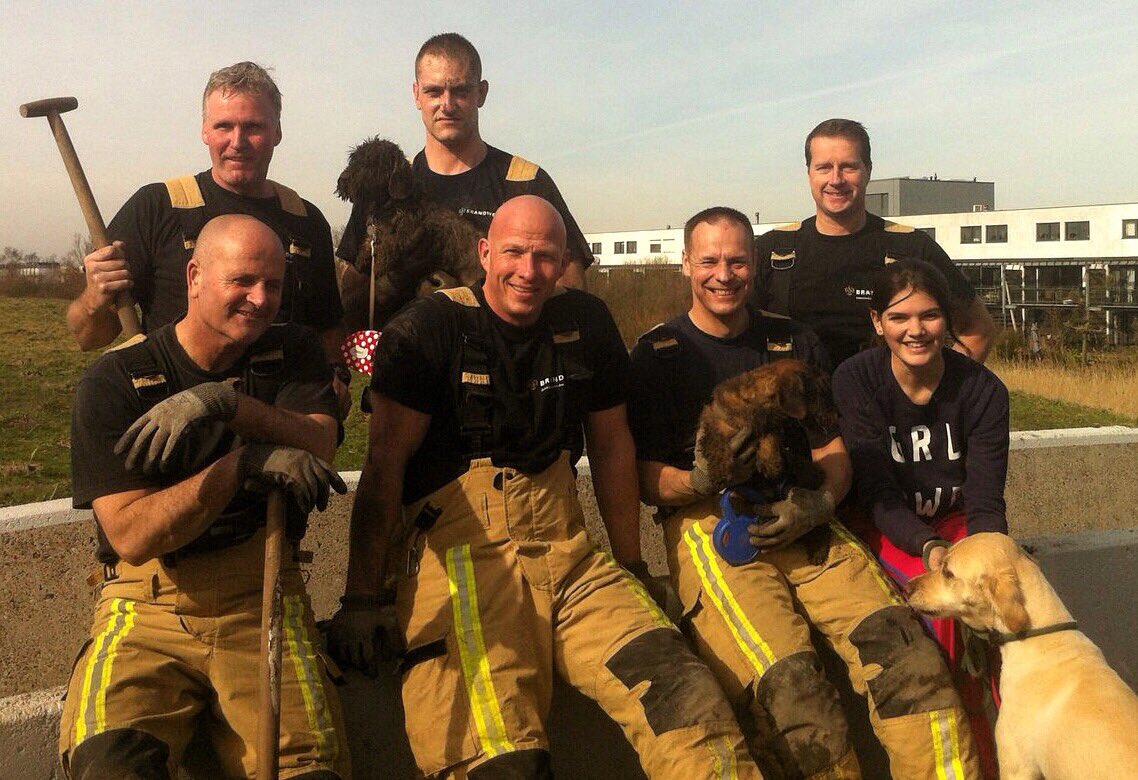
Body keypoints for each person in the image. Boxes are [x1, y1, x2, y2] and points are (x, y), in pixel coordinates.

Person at [327, 195, 759, 778]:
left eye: (544, 257)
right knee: (504, 760)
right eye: (513, 253)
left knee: (690, 702)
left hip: (573, 559)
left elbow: (611, 449)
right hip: (462, 566)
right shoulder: (431, 329)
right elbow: (382, 471)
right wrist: (360, 599)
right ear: (484, 253)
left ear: (563, 264)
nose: (528, 272)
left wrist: (630, 563)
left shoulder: (585, 322)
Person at [629, 206, 981, 779]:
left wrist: (821, 501)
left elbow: (832, 451)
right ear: (686, 262)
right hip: (711, 528)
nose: (725, 273)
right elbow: (640, 476)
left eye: (738, 260)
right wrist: (695, 480)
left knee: (909, 659)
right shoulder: (657, 354)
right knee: (793, 694)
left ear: (756, 265)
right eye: (710, 260)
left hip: (805, 516)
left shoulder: (793, 342)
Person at [59, 215, 350, 778]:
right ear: (194, 277)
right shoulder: (118, 378)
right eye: (241, 281)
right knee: (111, 764)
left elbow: (320, 440)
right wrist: (242, 465)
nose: (260, 299)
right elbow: (133, 535)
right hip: (149, 606)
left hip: (263, 594)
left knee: (310, 769)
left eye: (274, 285)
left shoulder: (290, 351)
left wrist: (225, 404)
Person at [65, 61, 350, 414]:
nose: (237, 142)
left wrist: (335, 375)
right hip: (174, 422)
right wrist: (94, 298)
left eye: (254, 127)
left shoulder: (305, 221)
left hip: (282, 422)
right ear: (204, 130)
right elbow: (87, 336)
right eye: (223, 126)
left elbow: (328, 326)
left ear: (277, 131)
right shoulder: (157, 207)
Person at [833, 257, 1011, 779]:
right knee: (938, 631)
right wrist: (932, 551)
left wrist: (981, 565)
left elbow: (985, 505)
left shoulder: (982, 391)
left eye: (930, 316)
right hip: (890, 529)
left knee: (1003, 632)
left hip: (961, 528)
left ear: (948, 320)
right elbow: (878, 497)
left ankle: (1005, 755)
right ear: (877, 322)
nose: (916, 330)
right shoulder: (857, 380)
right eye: (899, 317)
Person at [337, 33, 594, 289]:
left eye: (460, 91)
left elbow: (570, 285)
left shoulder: (526, 182)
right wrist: (396, 280)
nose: (447, 105)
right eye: (434, 91)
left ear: (481, 93)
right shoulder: (385, 181)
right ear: (417, 95)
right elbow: (347, 298)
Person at [753, 118, 996, 368]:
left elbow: (977, 329)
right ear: (809, 174)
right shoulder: (772, 251)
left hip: (884, 407)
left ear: (868, 170)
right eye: (824, 167)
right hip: (796, 406)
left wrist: (942, 393)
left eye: (848, 167)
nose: (836, 179)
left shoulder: (912, 248)